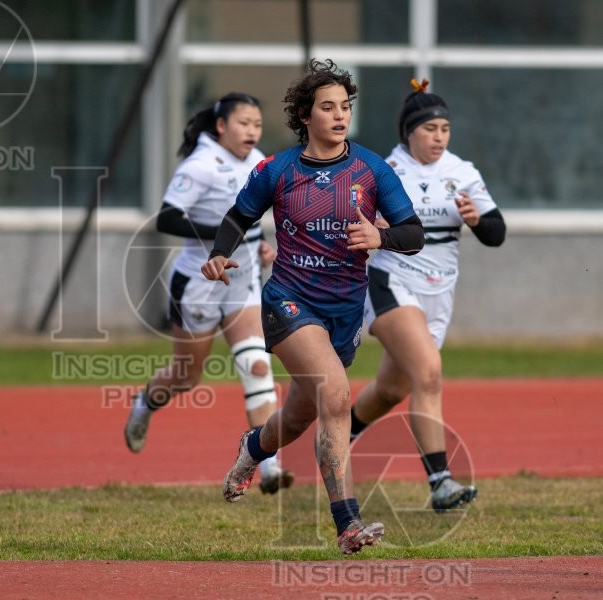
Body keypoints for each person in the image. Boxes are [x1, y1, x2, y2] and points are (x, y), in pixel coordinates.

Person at [201, 59, 425, 555]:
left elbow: (414, 234)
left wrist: (380, 236)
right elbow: (238, 218)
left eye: (345, 106)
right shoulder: (277, 170)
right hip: (288, 302)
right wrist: (219, 255)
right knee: (337, 395)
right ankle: (347, 522)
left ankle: (253, 447)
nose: (339, 115)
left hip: (344, 313)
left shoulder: (371, 169)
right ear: (306, 115)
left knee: (300, 417)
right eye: (327, 107)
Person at [123, 92, 293, 495]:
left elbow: (251, 217)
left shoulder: (257, 162)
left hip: (243, 281)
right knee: (186, 375)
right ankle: (145, 403)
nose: (252, 131)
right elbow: (167, 217)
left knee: (256, 365)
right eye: (243, 123)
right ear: (221, 126)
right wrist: (220, 239)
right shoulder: (200, 166)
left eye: (256, 124)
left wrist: (261, 243)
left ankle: (268, 465)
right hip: (199, 282)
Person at [350, 79, 506, 512]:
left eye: (444, 129)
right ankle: (441, 482)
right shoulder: (385, 172)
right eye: (430, 128)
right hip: (391, 281)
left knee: (390, 388)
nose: (439, 137)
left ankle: (337, 434)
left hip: (440, 288)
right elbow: (352, 230)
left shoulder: (462, 171)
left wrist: (477, 220)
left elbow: (497, 234)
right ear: (408, 132)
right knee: (430, 373)